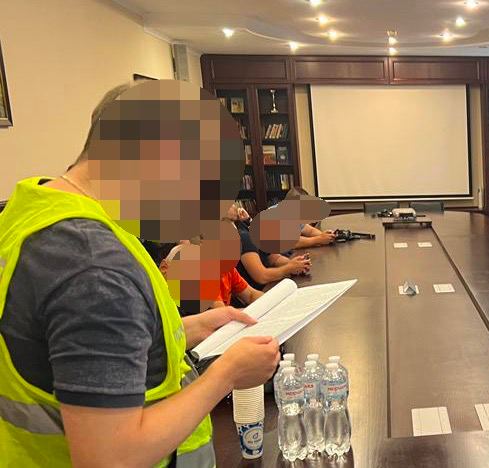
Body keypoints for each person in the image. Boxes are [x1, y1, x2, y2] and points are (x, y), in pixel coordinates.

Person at [0, 80, 280, 466]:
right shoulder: (95, 266)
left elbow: (70, 346)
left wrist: (187, 329)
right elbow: (110, 457)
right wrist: (226, 375)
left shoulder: (34, 209)